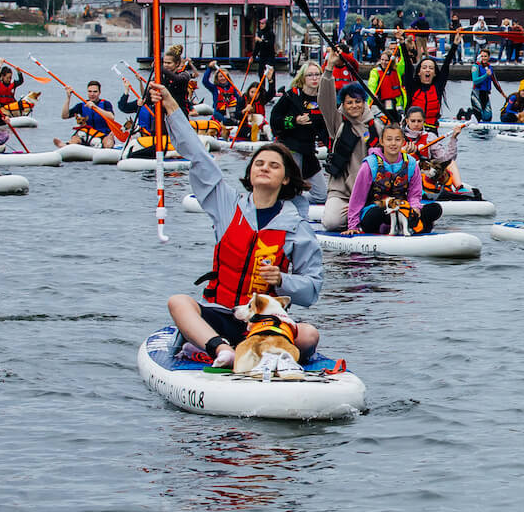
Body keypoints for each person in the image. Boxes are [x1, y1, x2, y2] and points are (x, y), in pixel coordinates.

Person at [153, 83, 322, 368]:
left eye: (274, 165)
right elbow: (198, 156)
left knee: (308, 335)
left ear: (285, 179)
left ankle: (257, 349)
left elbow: (313, 288)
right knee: (179, 302)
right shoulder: (227, 205)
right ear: (250, 173)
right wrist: (171, 106)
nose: (264, 167)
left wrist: (283, 280)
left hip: (264, 321)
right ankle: (221, 348)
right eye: (259, 163)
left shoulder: (297, 226)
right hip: (220, 313)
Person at [345, 122, 442, 236]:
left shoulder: (411, 163)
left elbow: (414, 194)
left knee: (436, 208)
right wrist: (352, 226)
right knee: (376, 213)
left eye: (397, 139)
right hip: (378, 210)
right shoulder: (370, 164)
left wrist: (415, 208)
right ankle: (393, 227)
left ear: (402, 142)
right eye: (389, 139)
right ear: (382, 142)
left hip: (401, 209)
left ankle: (409, 225)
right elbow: (358, 197)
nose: (393, 143)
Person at [317, 58, 374, 233]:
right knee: (331, 223)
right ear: (343, 105)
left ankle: (363, 215)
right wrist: (329, 68)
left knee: (374, 218)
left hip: (369, 192)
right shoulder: (338, 123)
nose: (354, 106)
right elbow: (325, 100)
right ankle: (353, 216)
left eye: (358, 102)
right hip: (342, 192)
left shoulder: (376, 127)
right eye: (349, 102)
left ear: (364, 103)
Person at [269, 63, 328, 201]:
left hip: (308, 150)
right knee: (291, 187)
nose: (314, 78)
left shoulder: (323, 99)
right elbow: (274, 120)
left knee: (322, 195)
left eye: (317, 75)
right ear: (303, 78)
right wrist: (295, 120)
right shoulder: (291, 96)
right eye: (310, 75)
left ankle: (297, 199)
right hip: (290, 149)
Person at [402, 40, 456, 131]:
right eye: (424, 68)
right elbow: (408, 64)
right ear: (419, 72)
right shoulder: (412, 87)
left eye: (431, 68)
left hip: (431, 129)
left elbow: (446, 64)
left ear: (434, 73)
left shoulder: (438, 87)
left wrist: (455, 44)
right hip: (412, 130)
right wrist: (402, 42)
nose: (427, 70)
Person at [54, 80, 120, 149]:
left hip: (103, 134)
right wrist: (68, 97)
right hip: (87, 134)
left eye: (95, 92)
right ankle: (66, 146)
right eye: (90, 91)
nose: (92, 94)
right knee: (75, 139)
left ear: (99, 93)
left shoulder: (106, 104)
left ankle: (107, 149)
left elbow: (111, 117)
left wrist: (95, 107)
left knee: (108, 143)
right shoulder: (81, 105)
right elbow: (65, 116)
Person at [464, 49, 498, 121]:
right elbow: (475, 81)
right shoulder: (475, 66)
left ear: (488, 57)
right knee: (478, 117)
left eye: (485, 56)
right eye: (482, 56)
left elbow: (495, 81)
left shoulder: (489, 67)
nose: (483, 58)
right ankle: (464, 113)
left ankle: (472, 111)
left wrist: (503, 94)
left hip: (485, 94)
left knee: (487, 118)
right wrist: (486, 75)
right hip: (477, 93)